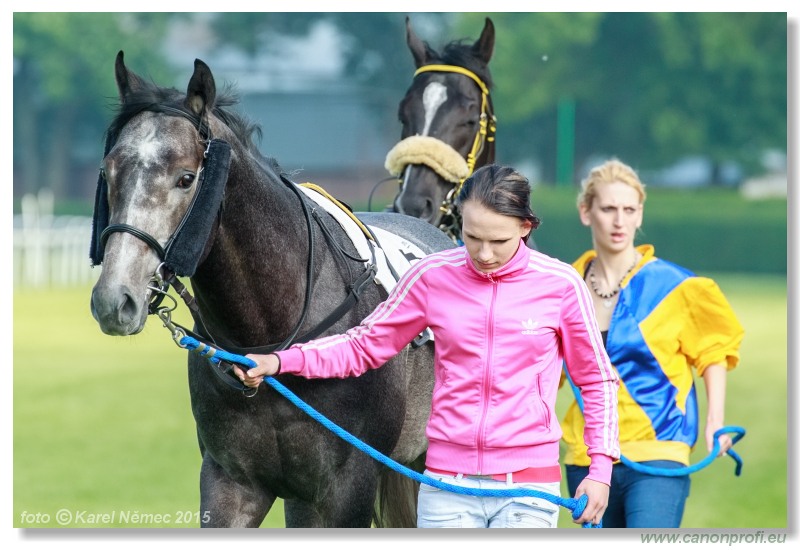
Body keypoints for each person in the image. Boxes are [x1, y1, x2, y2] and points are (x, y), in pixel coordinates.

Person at [237, 164, 620, 528]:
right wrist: (279, 361)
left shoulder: (560, 285)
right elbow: (364, 345)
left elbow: (597, 381)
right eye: (472, 238)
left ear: (525, 226)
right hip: (445, 486)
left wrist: (600, 470)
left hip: (528, 489)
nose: (484, 254)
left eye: (498, 241)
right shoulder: (431, 276)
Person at [560, 158, 745, 528]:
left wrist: (715, 420)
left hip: (660, 450)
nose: (619, 221)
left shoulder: (675, 286)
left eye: (629, 210)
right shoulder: (563, 288)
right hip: (588, 455)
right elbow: (540, 368)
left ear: (639, 214)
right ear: (586, 211)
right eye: (608, 208)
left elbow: (712, 353)